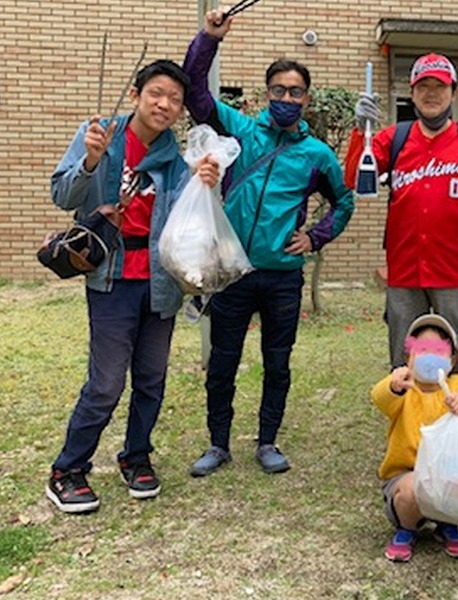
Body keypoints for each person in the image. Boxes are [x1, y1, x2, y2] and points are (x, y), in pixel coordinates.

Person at [183, 9, 356, 476]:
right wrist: (208, 39)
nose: (286, 98)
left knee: (277, 364)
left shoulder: (317, 154)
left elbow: (343, 202)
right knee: (223, 363)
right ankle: (218, 444)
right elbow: (195, 91)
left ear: (306, 98)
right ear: (267, 94)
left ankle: (267, 442)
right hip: (234, 272)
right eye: (278, 90)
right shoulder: (240, 130)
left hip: (282, 277)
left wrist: (315, 236)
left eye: (295, 92)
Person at [45, 59, 221, 514]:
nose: (165, 104)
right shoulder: (101, 135)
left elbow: (187, 221)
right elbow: (62, 196)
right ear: (136, 95)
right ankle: (67, 470)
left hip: (161, 281)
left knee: (151, 379)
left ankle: (136, 456)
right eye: (156, 93)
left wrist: (204, 186)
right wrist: (90, 161)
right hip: (112, 278)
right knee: (105, 383)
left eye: (175, 99)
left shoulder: (176, 158)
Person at [343, 53, 458, 386]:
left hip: (454, 271)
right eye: (423, 86)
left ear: (453, 93)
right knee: (403, 359)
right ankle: (407, 417)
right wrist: (361, 132)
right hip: (405, 269)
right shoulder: (393, 139)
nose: (431, 93)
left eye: (439, 86)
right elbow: (354, 178)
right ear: (411, 93)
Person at [371, 313, 458, 563]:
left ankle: (447, 524)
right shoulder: (404, 389)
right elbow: (379, 397)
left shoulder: (456, 385)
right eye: (422, 349)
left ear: (452, 360)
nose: (430, 356)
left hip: (447, 473)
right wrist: (393, 386)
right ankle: (407, 528)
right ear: (408, 357)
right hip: (405, 476)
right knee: (412, 489)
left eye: (439, 350)